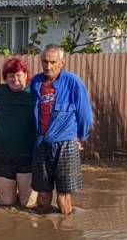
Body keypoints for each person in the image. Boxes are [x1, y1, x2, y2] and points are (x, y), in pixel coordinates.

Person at [30, 44, 92, 216]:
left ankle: (65, 235)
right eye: (44, 61)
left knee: (63, 198)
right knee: (42, 195)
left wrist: (80, 138)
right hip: (42, 143)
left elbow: (85, 114)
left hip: (66, 144)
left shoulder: (73, 82)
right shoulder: (36, 82)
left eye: (53, 62)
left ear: (62, 63)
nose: (48, 66)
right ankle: (42, 234)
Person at [0, 57, 36, 207]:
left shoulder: (34, 91)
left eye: (18, 74)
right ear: (6, 77)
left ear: (25, 74)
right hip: (3, 155)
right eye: (11, 76)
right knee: (6, 204)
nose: (15, 79)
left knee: (28, 204)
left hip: (28, 156)